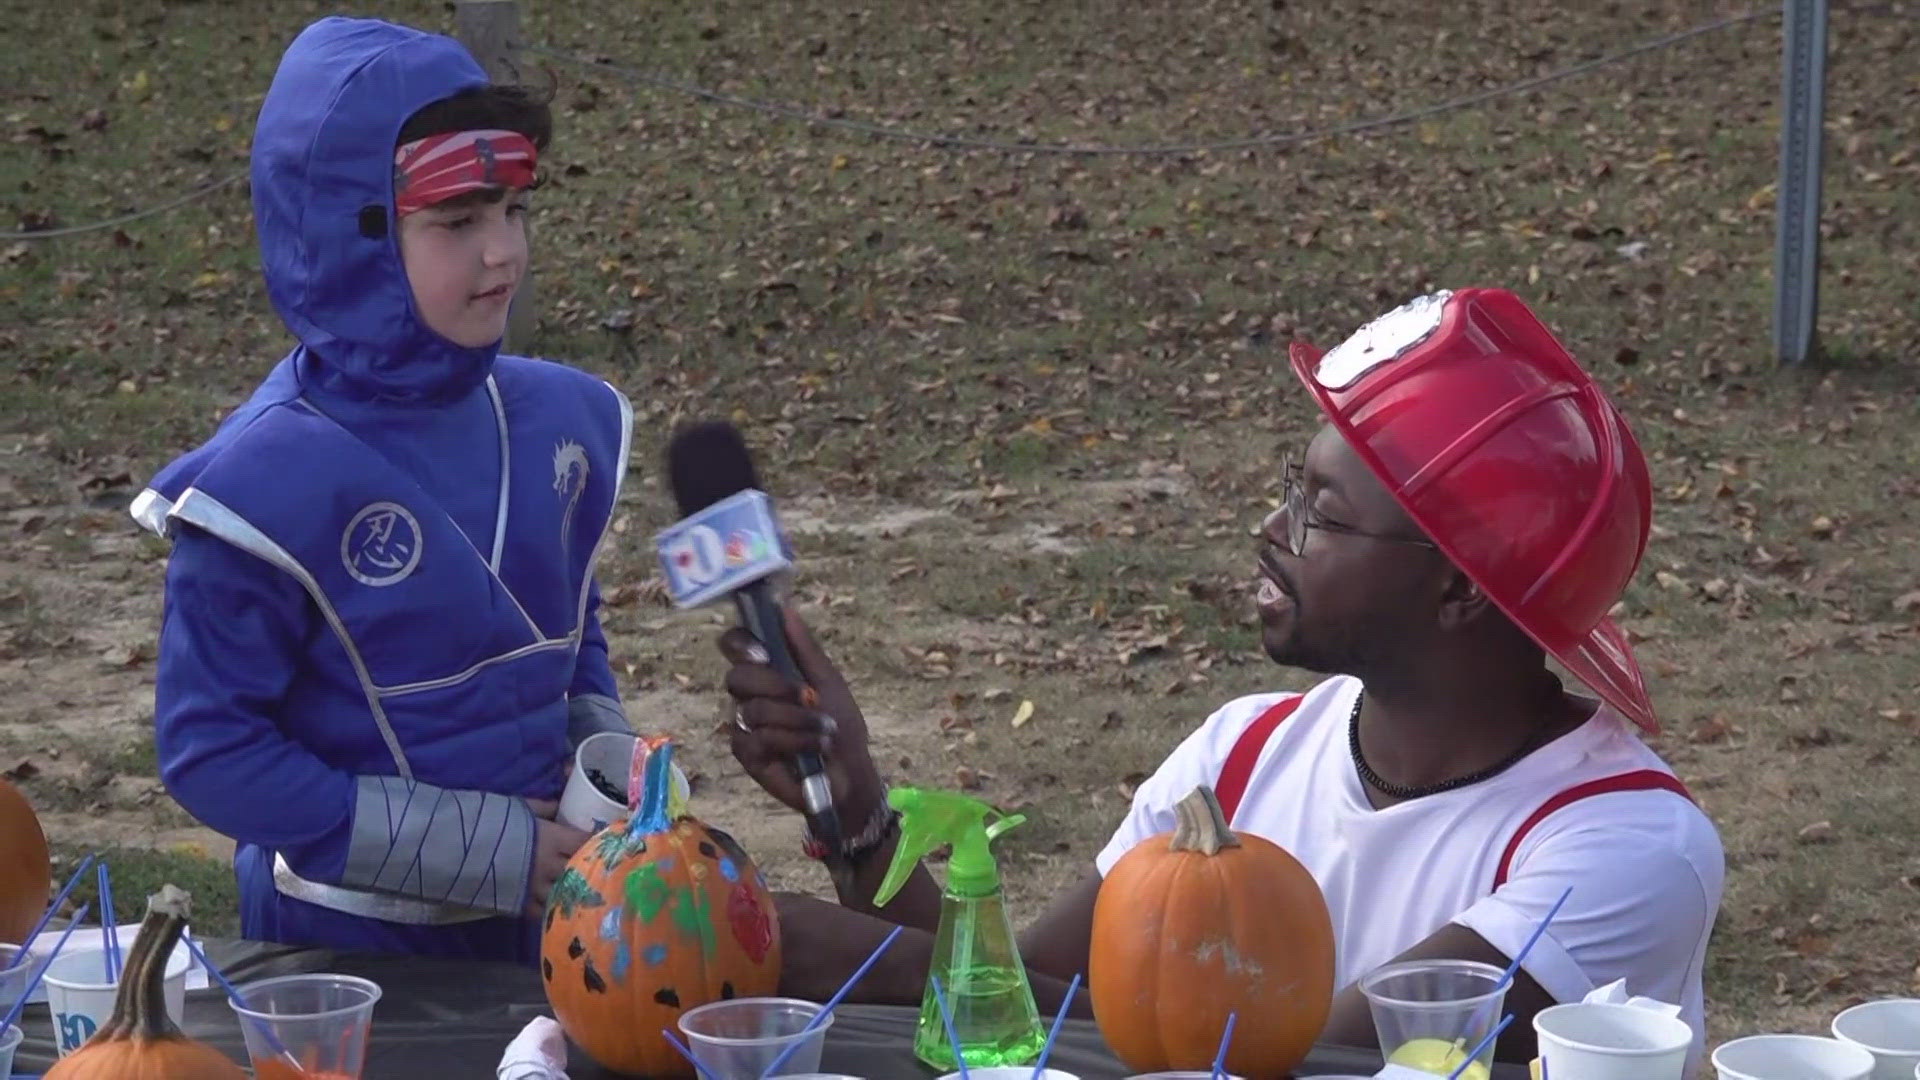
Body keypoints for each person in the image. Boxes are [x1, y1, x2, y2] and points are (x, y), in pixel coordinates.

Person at [717, 288, 1725, 1068]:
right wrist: (857, 818)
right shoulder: (1244, 754)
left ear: (1460, 589)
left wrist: (876, 965)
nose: (1270, 531)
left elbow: (1324, 1061)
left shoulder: (1619, 846)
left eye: (1320, 514)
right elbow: (1030, 1015)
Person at [128, 17, 635, 961]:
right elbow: (212, 752)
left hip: (552, 928)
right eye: (457, 223)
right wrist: (475, 851)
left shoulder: (554, 421)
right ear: (348, 234)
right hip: (347, 960)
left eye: (514, 210)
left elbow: (565, 621)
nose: (504, 253)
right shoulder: (267, 484)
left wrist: (608, 759)